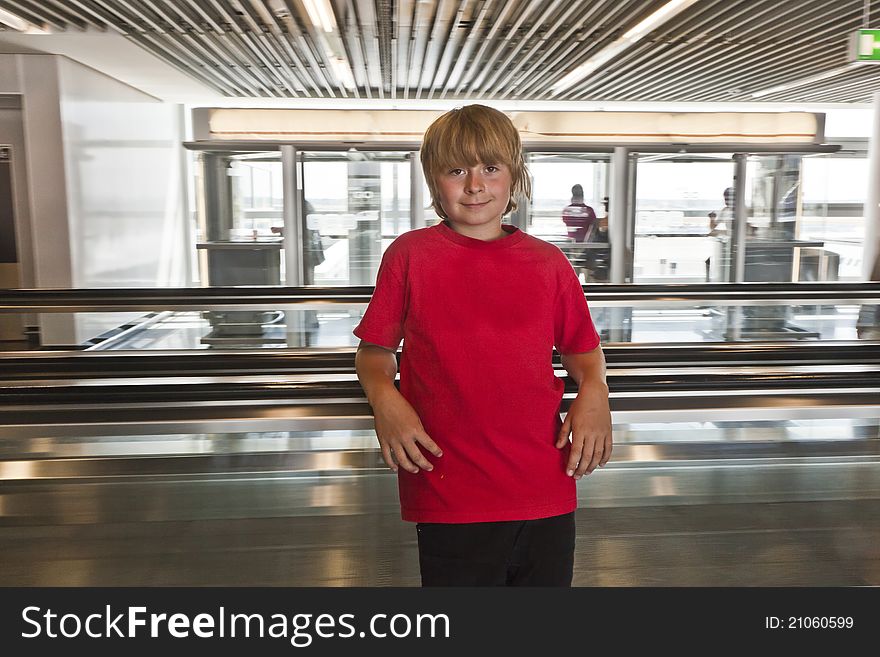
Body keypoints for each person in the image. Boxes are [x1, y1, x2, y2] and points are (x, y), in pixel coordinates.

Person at [352, 104, 612, 587]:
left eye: (490, 168)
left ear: (514, 176)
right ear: (435, 182)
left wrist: (595, 390)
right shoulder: (410, 256)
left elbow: (582, 349)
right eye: (457, 170)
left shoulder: (548, 262)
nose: (475, 185)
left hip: (543, 483)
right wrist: (384, 399)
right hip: (449, 488)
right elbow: (375, 350)